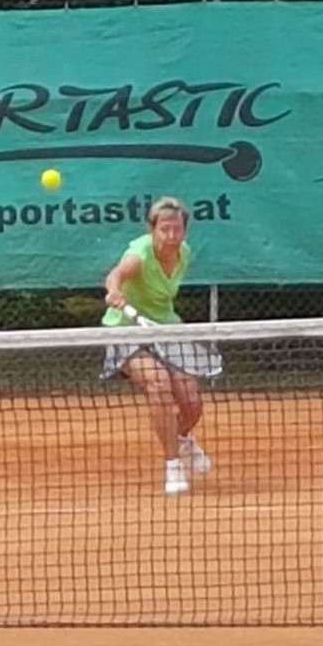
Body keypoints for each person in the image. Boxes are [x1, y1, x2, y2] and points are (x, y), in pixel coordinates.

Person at [101, 196, 214, 495]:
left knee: (191, 403)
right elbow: (116, 274)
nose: (171, 236)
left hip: (164, 327)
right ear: (152, 230)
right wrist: (115, 291)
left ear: (185, 231)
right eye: (164, 229)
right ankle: (173, 465)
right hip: (126, 330)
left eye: (177, 229)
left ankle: (181, 437)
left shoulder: (184, 253)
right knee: (159, 383)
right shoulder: (139, 254)